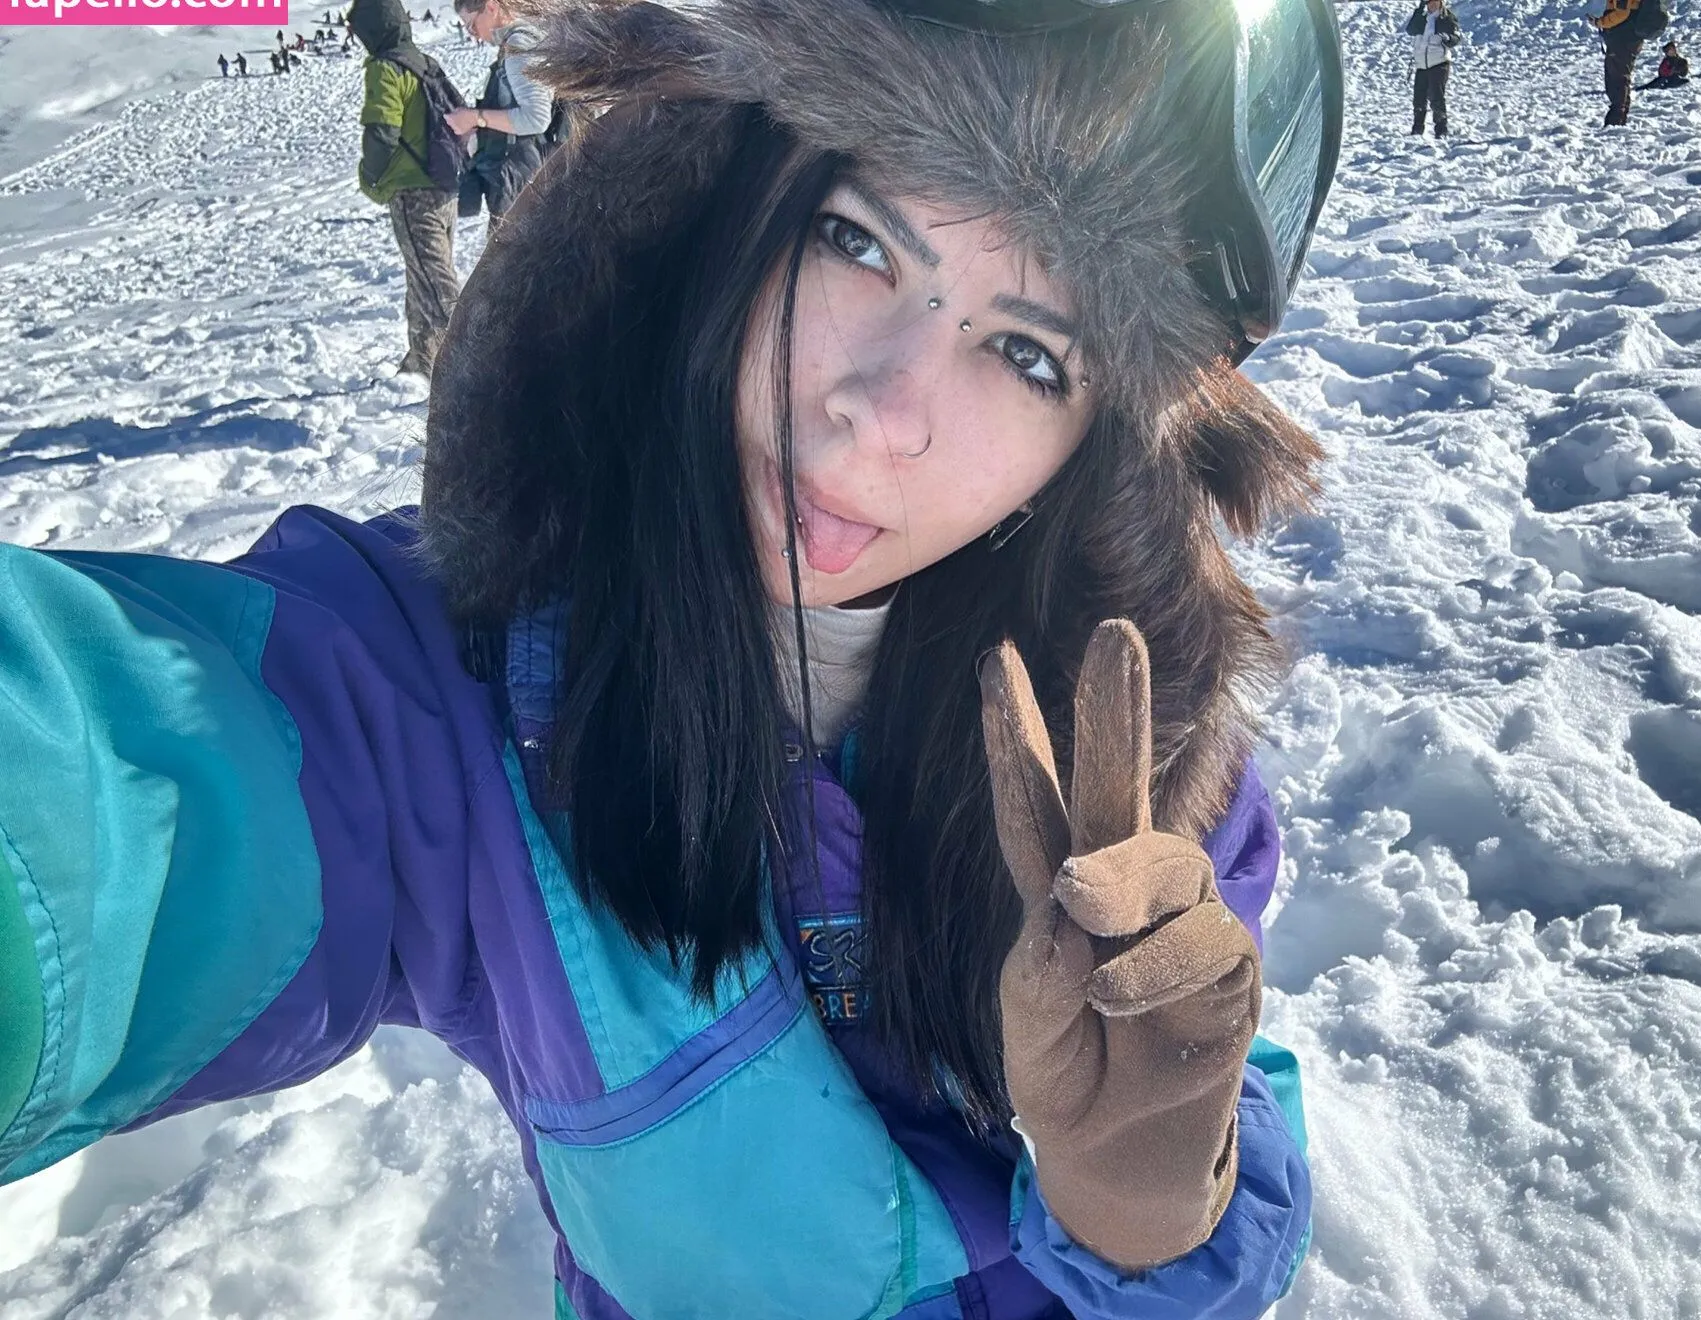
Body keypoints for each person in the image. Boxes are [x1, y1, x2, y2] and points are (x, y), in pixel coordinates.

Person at [0, 1, 1339, 1316]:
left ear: (1094, 446)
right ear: (724, 211)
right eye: (858, 242)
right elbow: (132, 780)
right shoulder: (455, 684)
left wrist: (1163, 1213)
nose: (881, 414)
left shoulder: (1128, 755)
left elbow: (1223, 1102)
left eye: (1030, 355)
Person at [349, 0, 460, 376]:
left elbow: (382, 132)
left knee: (437, 287)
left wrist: (370, 176)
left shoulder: (386, 68)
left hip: (414, 193)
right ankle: (421, 360)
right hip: (444, 187)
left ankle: (474, 367)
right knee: (424, 276)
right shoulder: (424, 62)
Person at [446, 0, 553, 231]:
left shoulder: (519, 46)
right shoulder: (519, 42)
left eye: (472, 24)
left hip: (521, 180)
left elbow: (536, 118)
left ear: (492, 7)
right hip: (522, 177)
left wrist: (476, 118)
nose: (473, 34)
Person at [1404, 0, 1458, 138]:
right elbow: (1410, 30)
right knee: (1419, 99)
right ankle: (1417, 130)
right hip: (1422, 65)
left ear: (1441, 3)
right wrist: (1419, 9)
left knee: (1436, 97)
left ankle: (1441, 130)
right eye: (1429, 2)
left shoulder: (1446, 17)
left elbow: (1456, 37)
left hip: (1439, 63)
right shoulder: (1422, 19)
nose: (1432, 5)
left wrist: (1447, 38)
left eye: (1435, 2)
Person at [1589, 0, 1645, 125]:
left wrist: (1600, 22)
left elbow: (1622, 13)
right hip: (1628, 38)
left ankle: (1616, 120)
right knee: (1620, 76)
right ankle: (1620, 118)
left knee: (1617, 78)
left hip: (1622, 39)